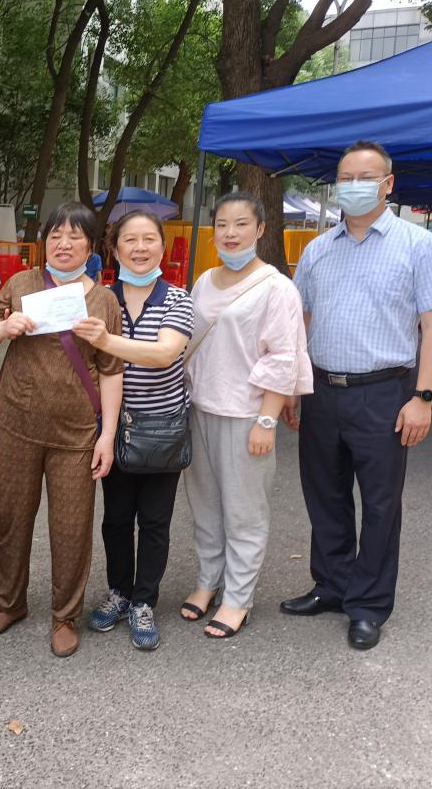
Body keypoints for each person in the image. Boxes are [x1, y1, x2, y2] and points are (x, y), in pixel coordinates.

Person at [281, 141, 432, 651]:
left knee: (380, 504)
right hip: (322, 390)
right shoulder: (317, 249)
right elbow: (301, 320)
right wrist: (293, 384)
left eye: (366, 176)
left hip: (384, 392)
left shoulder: (418, 246)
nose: (354, 184)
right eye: (346, 176)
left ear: (388, 183)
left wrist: (423, 396)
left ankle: (369, 604)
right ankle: (331, 585)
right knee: (324, 495)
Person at [0, 203, 123, 658]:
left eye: (75, 236)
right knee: (11, 519)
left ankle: (64, 615)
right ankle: (10, 602)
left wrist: (107, 435)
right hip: (17, 424)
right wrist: (3, 325)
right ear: (45, 242)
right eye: (56, 234)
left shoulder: (104, 300)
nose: (63, 243)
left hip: (76, 433)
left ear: (90, 247)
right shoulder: (20, 284)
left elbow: (112, 371)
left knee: (71, 527)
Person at [181, 192, 312, 640]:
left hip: (247, 414)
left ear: (260, 230)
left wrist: (268, 420)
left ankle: (238, 597)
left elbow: (283, 359)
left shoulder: (277, 288)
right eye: (221, 224)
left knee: (245, 513)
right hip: (200, 407)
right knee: (205, 506)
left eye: (240, 224)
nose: (230, 233)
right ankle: (207, 581)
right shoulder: (203, 281)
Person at [72, 210, 192, 651]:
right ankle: (120, 592)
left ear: (162, 246)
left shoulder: (179, 299)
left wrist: (105, 341)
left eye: (149, 240)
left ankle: (145, 600)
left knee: (156, 522)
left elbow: (163, 355)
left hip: (162, 427)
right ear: (115, 247)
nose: (140, 248)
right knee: (116, 520)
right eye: (130, 240)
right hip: (112, 428)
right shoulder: (101, 299)